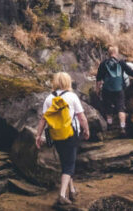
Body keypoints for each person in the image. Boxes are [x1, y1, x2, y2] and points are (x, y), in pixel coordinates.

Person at [34, 71, 90, 206]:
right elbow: (81, 117)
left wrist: (38, 135)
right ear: (67, 82)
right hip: (70, 134)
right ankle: (61, 195)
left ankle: (72, 190)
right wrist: (86, 129)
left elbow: (43, 119)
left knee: (65, 163)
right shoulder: (72, 96)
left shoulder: (49, 98)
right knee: (70, 165)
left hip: (55, 135)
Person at [95, 46, 133, 131]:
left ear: (108, 53)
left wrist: (97, 90)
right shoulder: (121, 62)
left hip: (107, 90)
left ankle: (110, 125)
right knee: (121, 108)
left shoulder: (103, 63)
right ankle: (122, 127)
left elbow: (98, 79)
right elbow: (131, 72)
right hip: (119, 89)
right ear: (116, 53)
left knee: (108, 108)